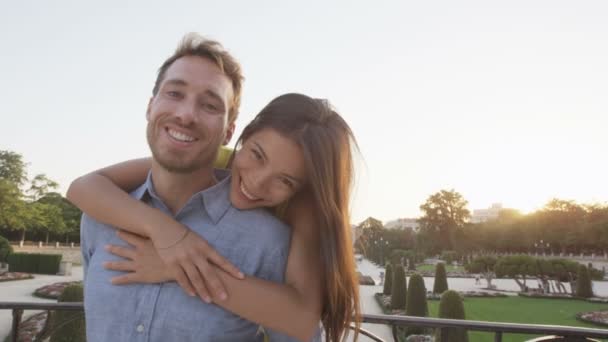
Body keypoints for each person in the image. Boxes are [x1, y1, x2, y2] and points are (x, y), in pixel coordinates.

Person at [68, 34, 361, 341]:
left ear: (228, 130)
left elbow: (301, 324)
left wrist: (181, 269)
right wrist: (169, 234)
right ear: (150, 106)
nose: (185, 115)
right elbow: (81, 187)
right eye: (174, 93)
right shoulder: (101, 216)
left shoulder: (280, 235)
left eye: (210, 105)